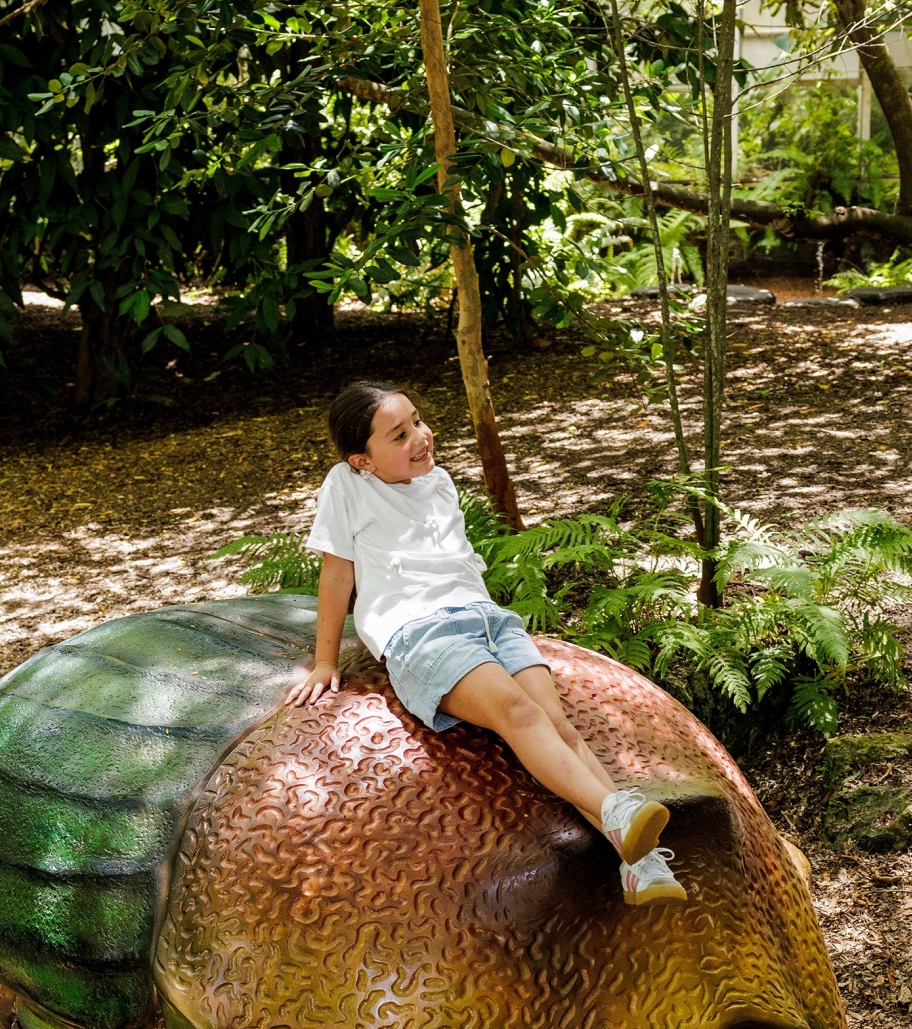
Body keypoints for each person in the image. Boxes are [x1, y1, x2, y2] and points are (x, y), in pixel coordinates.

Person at [282, 382, 686, 905]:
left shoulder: (440, 481)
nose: (421, 438)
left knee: (558, 724)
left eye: (419, 422)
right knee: (518, 713)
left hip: (487, 618)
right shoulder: (346, 486)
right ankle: (619, 813)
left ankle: (640, 864)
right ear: (361, 459)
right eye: (400, 434)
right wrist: (325, 661)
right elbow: (337, 575)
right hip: (418, 629)